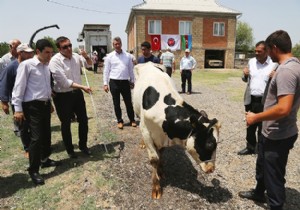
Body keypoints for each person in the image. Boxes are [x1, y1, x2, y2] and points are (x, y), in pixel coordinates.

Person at [239, 30, 300, 210]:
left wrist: (255, 117)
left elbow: (283, 108)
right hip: (271, 131)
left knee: (273, 175)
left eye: (267, 49)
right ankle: (259, 192)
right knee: (263, 166)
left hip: (277, 133)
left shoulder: (286, 70)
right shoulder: (293, 65)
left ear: (274, 48)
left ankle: (275, 205)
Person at [11, 39, 61, 185]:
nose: (49, 56)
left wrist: (49, 102)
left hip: (44, 105)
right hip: (32, 107)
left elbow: (45, 87)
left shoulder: (46, 66)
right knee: (36, 138)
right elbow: (18, 88)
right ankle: (33, 170)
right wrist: (18, 109)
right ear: (37, 52)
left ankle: (44, 159)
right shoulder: (27, 65)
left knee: (46, 135)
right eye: (47, 52)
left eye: (51, 53)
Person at [49, 36, 92, 159]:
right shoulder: (55, 61)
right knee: (66, 123)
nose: (68, 49)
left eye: (70, 45)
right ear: (59, 48)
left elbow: (89, 65)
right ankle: (70, 150)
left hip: (77, 93)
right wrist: (82, 87)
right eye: (65, 47)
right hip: (62, 96)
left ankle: (83, 146)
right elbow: (64, 82)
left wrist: (86, 56)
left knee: (83, 120)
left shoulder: (76, 56)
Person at [238, 41, 277, 155]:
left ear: (266, 52)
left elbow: (278, 83)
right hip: (251, 100)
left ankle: (261, 149)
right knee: (250, 124)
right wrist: (244, 75)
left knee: (262, 126)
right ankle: (250, 147)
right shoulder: (251, 62)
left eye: (259, 51)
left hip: (265, 101)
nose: (256, 53)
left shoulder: (274, 65)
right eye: (255, 51)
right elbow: (245, 79)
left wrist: (275, 76)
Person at [0, 43, 34, 158]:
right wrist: (4, 102)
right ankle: (27, 148)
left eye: (31, 52)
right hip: (18, 102)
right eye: (28, 52)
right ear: (20, 53)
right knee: (23, 127)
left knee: (34, 125)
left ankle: (36, 146)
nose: (31, 54)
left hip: (32, 101)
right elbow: (4, 84)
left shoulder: (31, 65)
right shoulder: (11, 67)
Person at [103, 36, 136, 129]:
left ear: (121, 44)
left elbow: (131, 69)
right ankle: (120, 121)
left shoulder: (128, 56)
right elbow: (106, 71)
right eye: (115, 44)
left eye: (118, 44)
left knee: (128, 102)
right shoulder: (109, 56)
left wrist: (132, 81)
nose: (117, 45)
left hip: (125, 82)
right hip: (114, 82)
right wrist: (105, 83)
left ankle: (132, 120)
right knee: (116, 103)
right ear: (113, 45)